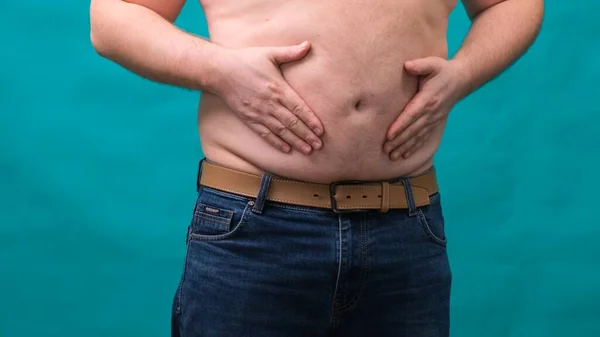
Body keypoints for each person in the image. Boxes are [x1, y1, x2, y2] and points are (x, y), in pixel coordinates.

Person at [89, 0, 544, 336]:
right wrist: (219, 69)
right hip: (254, 230)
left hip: (405, 228)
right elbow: (112, 18)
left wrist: (463, 74)